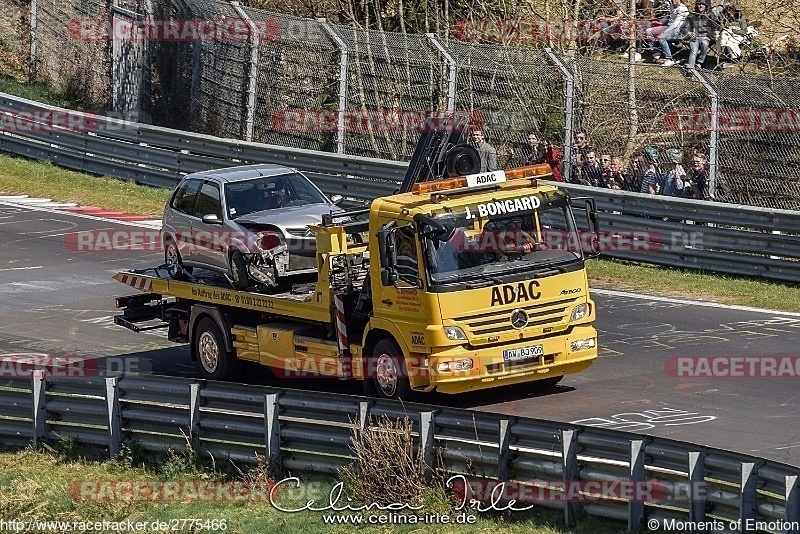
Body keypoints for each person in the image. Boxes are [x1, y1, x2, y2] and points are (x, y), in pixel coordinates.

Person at [645, 0, 690, 66]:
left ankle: (669, 58)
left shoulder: (683, 9)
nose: (673, 1)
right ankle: (655, 51)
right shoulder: (671, 6)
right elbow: (668, 17)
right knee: (649, 31)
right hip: (668, 26)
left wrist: (664, 32)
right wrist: (661, 22)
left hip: (677, 29)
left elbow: (675, 24)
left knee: (662, 38)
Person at [685, 0, 718, 69]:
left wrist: (709, 37)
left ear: (706, 6)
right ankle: (690, 67)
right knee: (694, 49)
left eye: (703, 4)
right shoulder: (692, 15)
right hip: (694, 38)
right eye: (699, 4)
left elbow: (715, 29)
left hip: (706, 38)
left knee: (705, 44)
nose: (700, 6)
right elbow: (684, 27)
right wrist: (688, 32)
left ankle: (699, 62)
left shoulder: (711, 16)